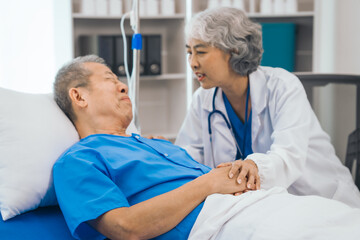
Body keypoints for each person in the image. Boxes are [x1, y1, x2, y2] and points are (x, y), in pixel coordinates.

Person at [53, 55, 360, 240]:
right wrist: (209, 183)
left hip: (266, 204)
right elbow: (124, 227)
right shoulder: (80, 160)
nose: (123, 86)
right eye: (110, 80)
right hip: (220, 226)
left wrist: (229, 175)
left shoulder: (154, 145)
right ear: (79, 97)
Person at [175, 7, 360, 207]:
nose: (192, 63)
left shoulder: (282, 87)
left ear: (234, 50)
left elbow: (288, 156)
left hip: (319, 201)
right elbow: (191, 156)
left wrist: (255, 166)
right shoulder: (203, 100)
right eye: (189, 52)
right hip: (264, 208)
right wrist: (162, 151)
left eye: (200, 52)